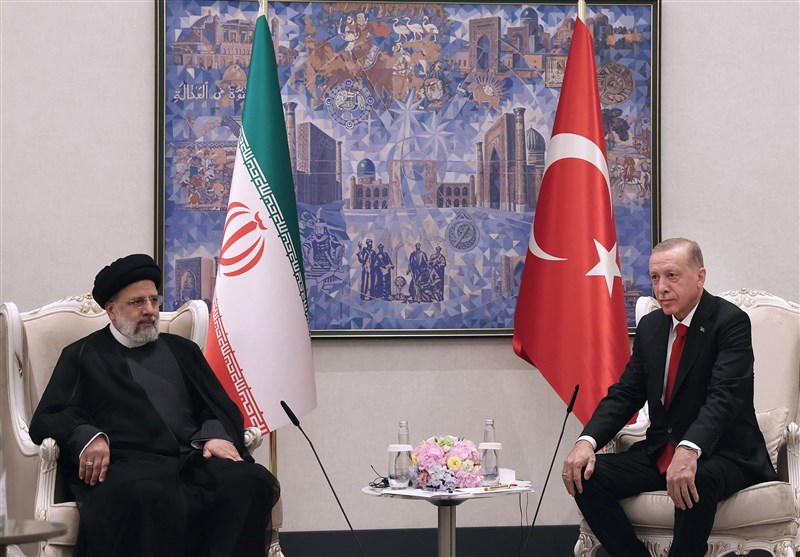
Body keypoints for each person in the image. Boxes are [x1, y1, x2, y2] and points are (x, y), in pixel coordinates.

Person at [29, 254, 279, 557]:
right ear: (111, 310)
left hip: (193, 460)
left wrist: (215, 434)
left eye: (153, 300)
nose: (150, 310)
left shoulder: (183, 350)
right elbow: (48, 417)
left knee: (250, 482)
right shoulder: (83, 355)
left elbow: (217, 406)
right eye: (137, 302)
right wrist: (87, 436)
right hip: (129, 466)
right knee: (148, 495)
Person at [561, 238, 776, 557]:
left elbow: (724, 397)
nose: (661, 288)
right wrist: (586, 442)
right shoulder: (651, 327)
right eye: (655, 277)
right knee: (585, 475)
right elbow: (626, 393)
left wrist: (689, 449)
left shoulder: (729, 322)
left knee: (695, 477)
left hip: (725, 453)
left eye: (671, 276)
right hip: (661, 450)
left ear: (700, 276)